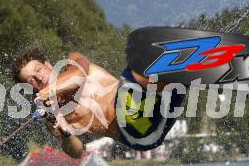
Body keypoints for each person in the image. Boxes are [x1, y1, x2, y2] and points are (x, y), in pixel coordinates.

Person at [12, 48, 185, 158]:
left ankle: (191, 66)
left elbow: (78, 74)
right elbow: (76, 152)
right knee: (132, 75)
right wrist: (65, 133)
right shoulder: (55, 115)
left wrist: (50, 91)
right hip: (139, 134)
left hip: (157, 111)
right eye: (31, 80)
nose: (38, 77)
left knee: (177, 83)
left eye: (38, 70)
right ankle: (177, 63)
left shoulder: (73, 61)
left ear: (48, 64)